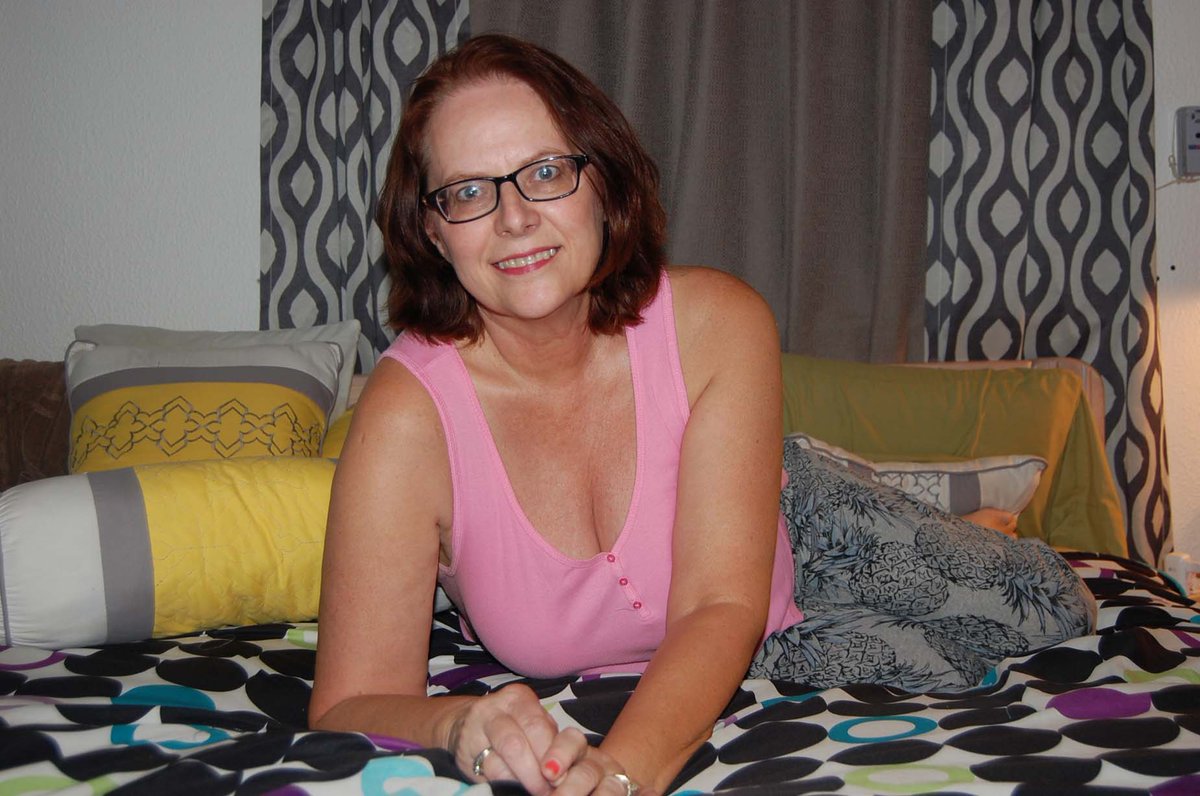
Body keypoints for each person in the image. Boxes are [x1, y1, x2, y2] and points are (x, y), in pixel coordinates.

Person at [309, 33, 1094, 796]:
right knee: (933, 662)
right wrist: (457, 725)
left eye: (546, 172)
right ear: (433, 230)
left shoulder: (718, 322)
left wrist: (620, 775)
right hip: (769, 648)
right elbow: (349, 701)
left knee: (1051, 605)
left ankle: (958, 518)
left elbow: (720, 603)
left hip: (803, 534)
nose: (514, 218)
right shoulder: (408, 416)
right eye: (470, 192)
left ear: (602, 184)